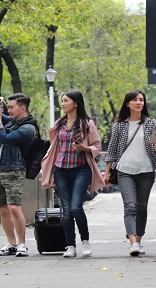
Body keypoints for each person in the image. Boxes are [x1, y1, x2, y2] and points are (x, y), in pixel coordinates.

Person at [41, 89, 104, 258]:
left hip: (80, 170)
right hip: (61, 170)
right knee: (66, 210)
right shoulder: (59, 124)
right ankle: (70, 245)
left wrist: (84, 148)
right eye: (62, 101)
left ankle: (85, 241)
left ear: (76, 103)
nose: (63, 104)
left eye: (66, 101)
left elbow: (97, 147)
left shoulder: (87, 124)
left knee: (76, 207)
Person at [104, 90, 156, 256]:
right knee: (130, 206)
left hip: (146, 170)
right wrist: (107, 172)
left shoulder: (151, 123)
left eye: (141, 100)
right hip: (124, 171)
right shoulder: (119, 125)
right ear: (127, 103)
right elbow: (112, 149)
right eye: (135, 100)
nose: (139, 102)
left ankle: (138, 240)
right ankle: (133, 244)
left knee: (141, 207)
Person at [0, 93, 37, 258]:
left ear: (22, 108)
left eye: (11, 107)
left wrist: (0, 120)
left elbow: (5, 137)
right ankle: (11, 244)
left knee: (14, 207)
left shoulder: (27, 127)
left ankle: (22, 244)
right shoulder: (14, 122)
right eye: (7, 107)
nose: (8, 110)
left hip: (14, 170)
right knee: (2, 208)